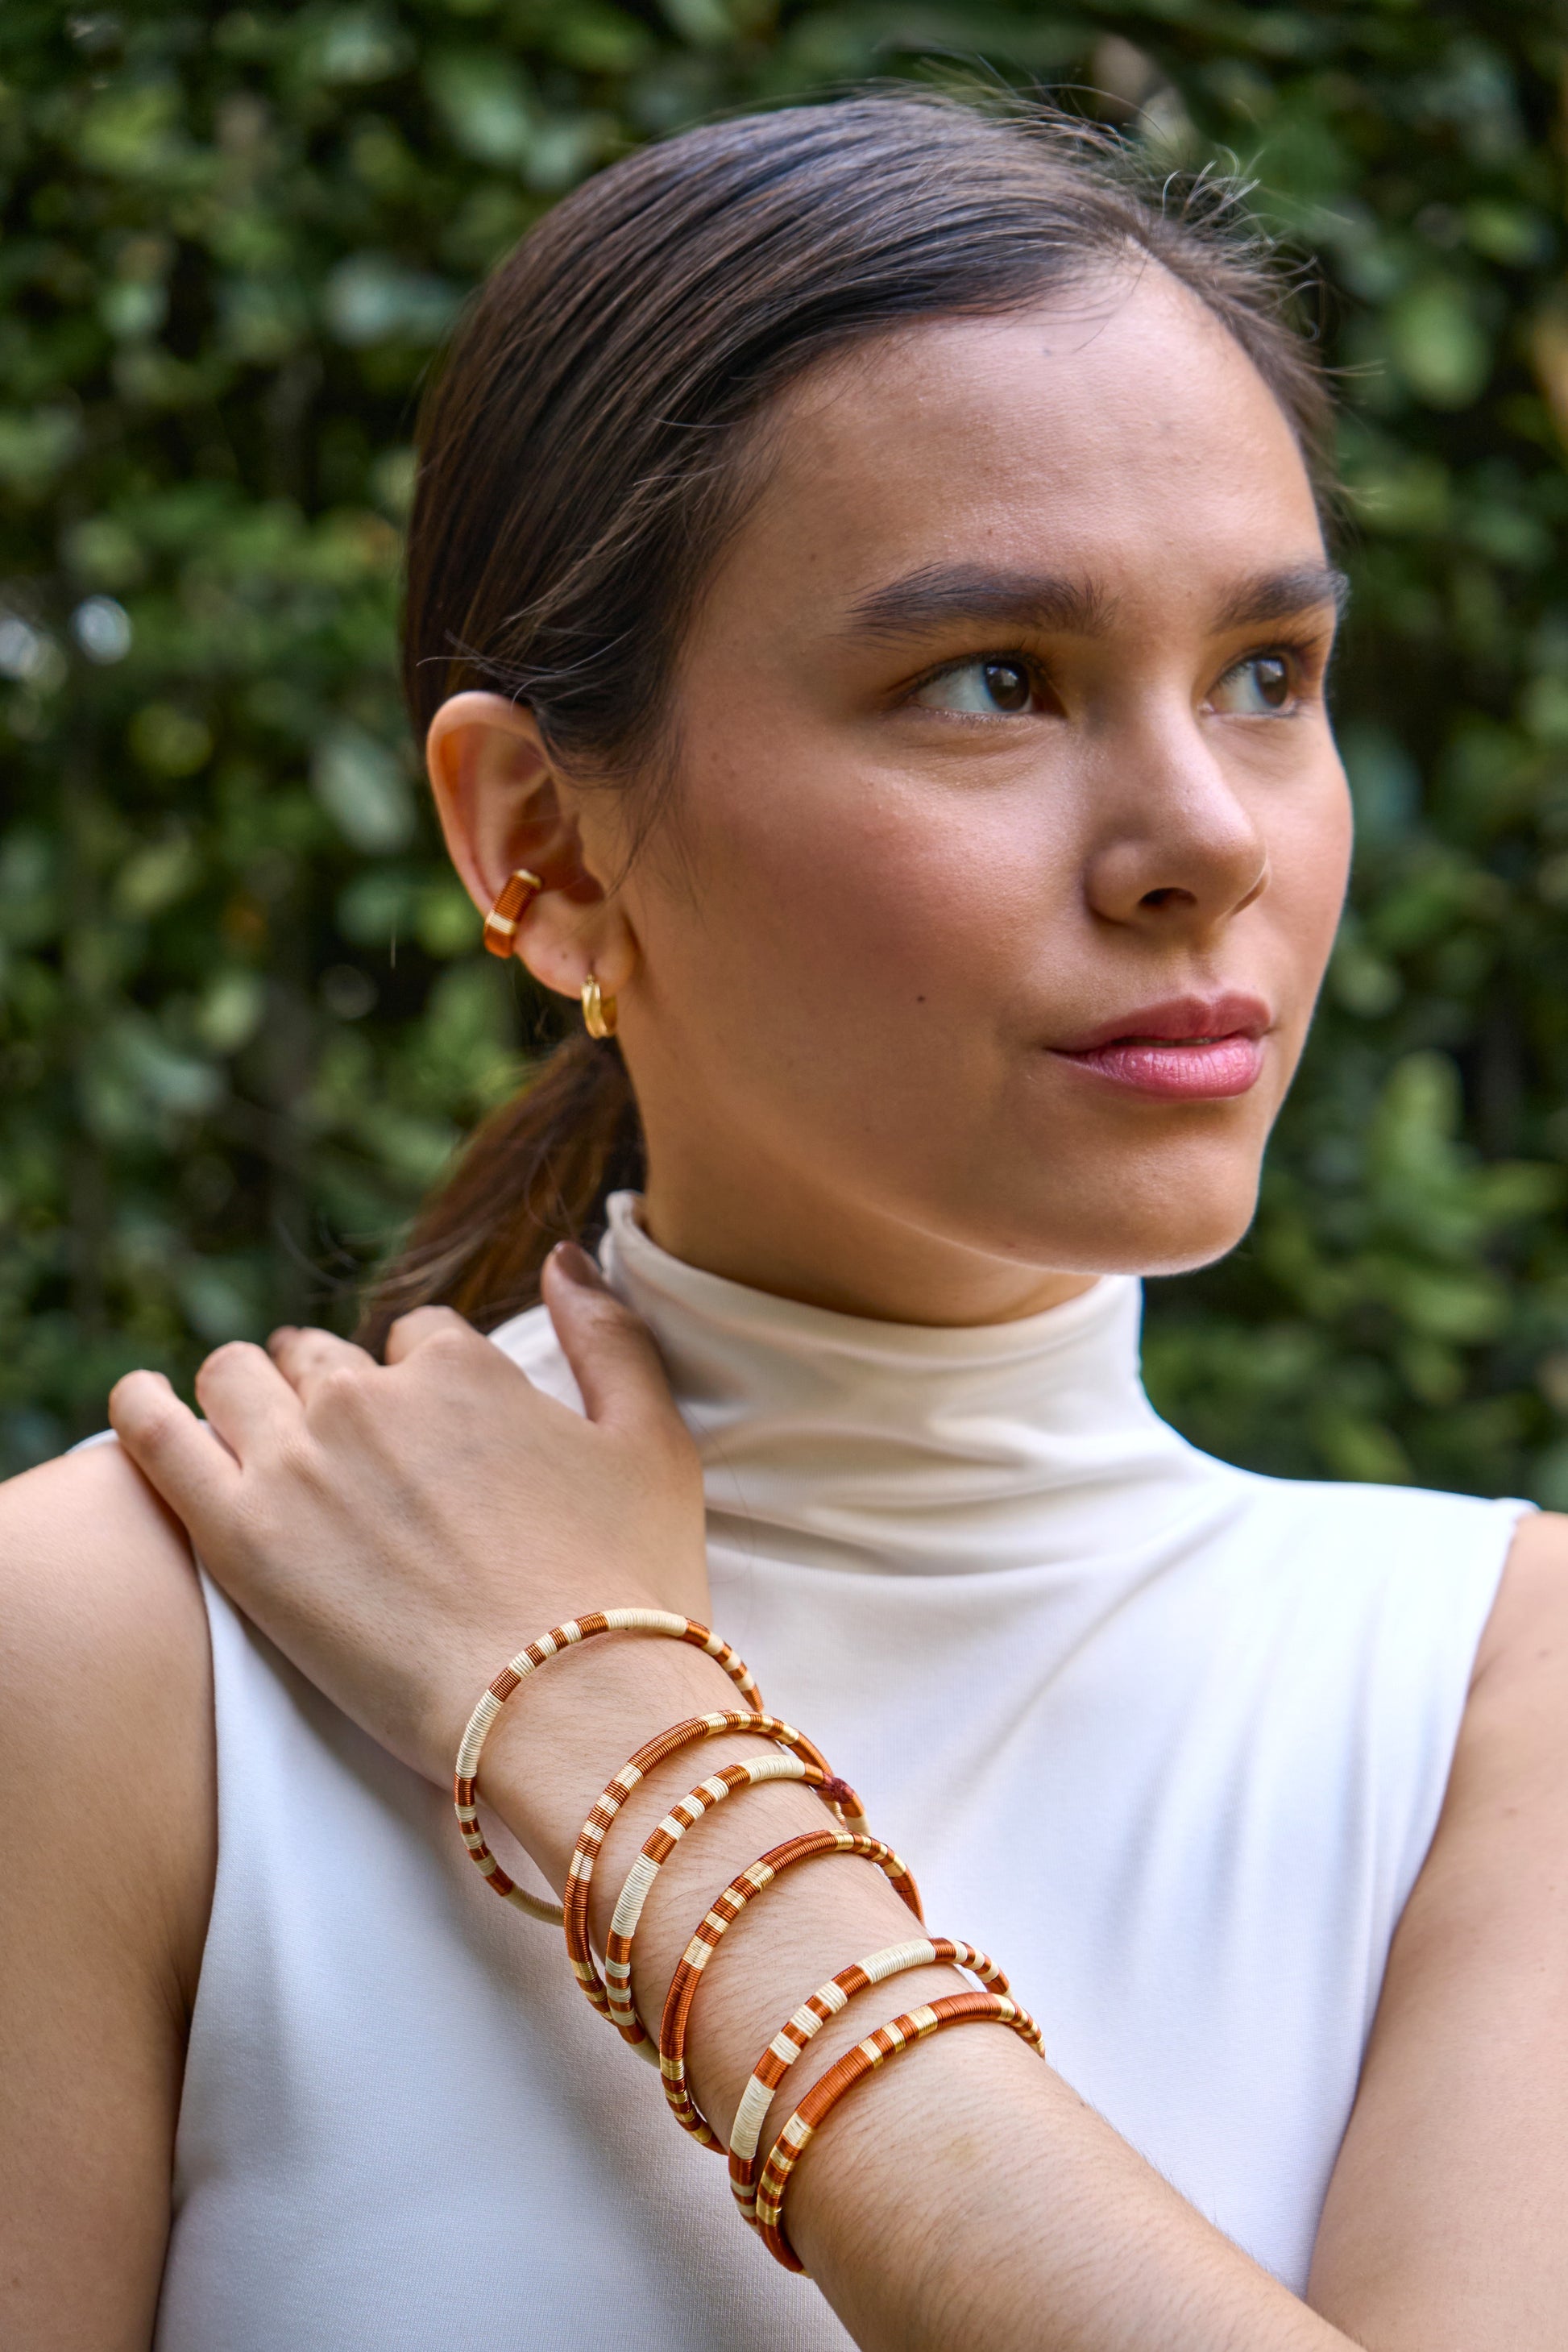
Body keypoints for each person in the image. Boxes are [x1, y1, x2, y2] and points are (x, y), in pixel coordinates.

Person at [4, 92, 1566, 2352]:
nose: (1202, 838)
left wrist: (616, 1743)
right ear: (537, 840)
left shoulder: (1490, 1699)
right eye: (990, 682)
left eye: (1265, 677)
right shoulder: (124, 1658)